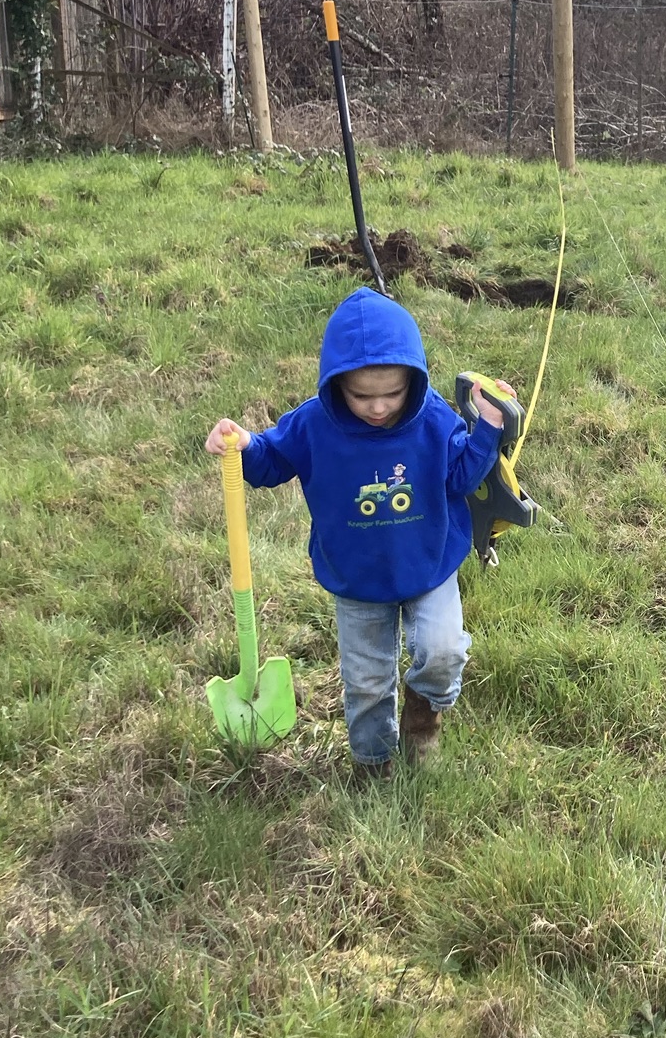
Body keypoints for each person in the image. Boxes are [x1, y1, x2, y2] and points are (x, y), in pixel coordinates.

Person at [205, 287, 510, 775]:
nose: (378, 407)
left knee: (444, 651)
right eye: (361, 395)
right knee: (366, 683)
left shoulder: (431, 417)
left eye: (392, 393)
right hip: (357, 579)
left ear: (413, 377)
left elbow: (461, 476)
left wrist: (489, 429)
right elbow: (270, 461)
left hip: (428, 563)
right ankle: (372, 764)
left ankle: (421, 722)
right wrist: (243, 446)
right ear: (336, 383)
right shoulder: (313, 424)